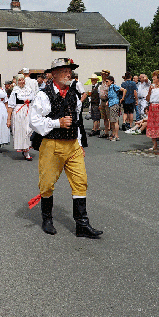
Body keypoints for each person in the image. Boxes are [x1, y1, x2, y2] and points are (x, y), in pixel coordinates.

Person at [29, 57, 103, 238]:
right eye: (64, 70)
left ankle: (82, 225)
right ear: (54, 74)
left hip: (72, 145)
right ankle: (47, 219)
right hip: (51, 144)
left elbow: (76, 120)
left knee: (80, 181)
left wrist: (78, 142)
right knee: (47, 183)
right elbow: (34, 121)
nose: (68, 73)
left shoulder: (73, 93)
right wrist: (57, 123)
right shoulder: (43, 94)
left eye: (69, 70)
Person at [7, 74, 33, 160]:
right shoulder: (15, 91)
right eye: (20, 80)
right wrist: (8, 119)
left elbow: (34, 101)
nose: (22, 82)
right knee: (21, 131)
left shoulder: (29, 89)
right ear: (17, 81)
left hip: (28, 111)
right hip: (18, 112)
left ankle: (26, 149)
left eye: (23, 80)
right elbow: (10, 106)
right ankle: (25, 151)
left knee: (28, 130)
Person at [105, 75, 125, 141]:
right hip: (111, 104)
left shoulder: (113, 86)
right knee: (112, 121)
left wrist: (122, 98)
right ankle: (113, 134)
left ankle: (116, 135)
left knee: (115, 121)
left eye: (107, 81)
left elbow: (124, 90)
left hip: (114, 104)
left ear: (111, 81)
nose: (106, 83)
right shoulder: (110, 88)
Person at [98, 69, 110, 138]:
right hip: (102, 101)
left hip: (107, 101)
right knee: (104, 118)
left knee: (109, 118)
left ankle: (112, 133)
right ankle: (106, 132)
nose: (102, 76)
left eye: (103, 74)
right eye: (102, 74)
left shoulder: (109, 82)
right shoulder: (102, 82)